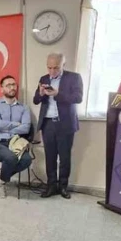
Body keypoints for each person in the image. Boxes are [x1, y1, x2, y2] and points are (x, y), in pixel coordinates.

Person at [33, 53, 83, 199]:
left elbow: (78, 98)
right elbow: (36, 100)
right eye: (49, 68)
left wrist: (57, 94)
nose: (52, 71)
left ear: (63, 65)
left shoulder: (74, 77)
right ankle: (51, 186)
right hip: (47, 123)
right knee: (50, 157)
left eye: (56, 68)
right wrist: (41, 93)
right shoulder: (44, 78)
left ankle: (63, 187)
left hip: (65, 124)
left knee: (65, 157)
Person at [0, 75, 32, 198]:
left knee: (27, 159)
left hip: (15, 143)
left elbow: (26, 128)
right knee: (11, 157)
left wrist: (6, 126)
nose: (12, 87)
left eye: (14, 85)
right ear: (1, 89)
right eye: (8, 85)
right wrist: (16, 124)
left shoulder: (24, 108)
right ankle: (3, 184)